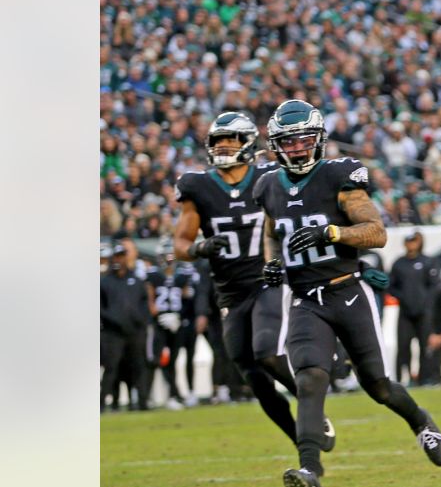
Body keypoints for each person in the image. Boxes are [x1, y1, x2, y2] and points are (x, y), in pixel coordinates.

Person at [254, 99, 441, 487]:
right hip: (306, 299)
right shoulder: (268, 184)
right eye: (288, 143)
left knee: (377, 384)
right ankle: (310, 469)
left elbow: (375, 233)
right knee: (309, 379)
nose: (297, 149)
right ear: (276, 146)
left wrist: (333, 234)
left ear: (319, 140)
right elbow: (273, 228)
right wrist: (272, 262)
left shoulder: (339, 176)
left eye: (304, 140)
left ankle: (420, 421)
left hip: (348, 292)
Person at [174, 112, 327, 445]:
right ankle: (299, 437)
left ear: (248, 144)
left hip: (268, 280)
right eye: (218, 141)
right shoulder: (196, 186)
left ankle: (312, 409)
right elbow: (180, 245)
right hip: (230, 293)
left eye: (231, 140)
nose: (224, 147)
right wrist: (200, 248)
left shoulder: (270, 175)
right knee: (253, 377)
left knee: (267, 352)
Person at [146, 242, 199, 410]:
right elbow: (149, 299)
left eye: (170, 256)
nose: (168, 260)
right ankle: (147, 396)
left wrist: (178, 317)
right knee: (156, 359)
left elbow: (187, 298)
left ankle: (173, 395)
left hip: (177, 322)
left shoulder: (182, 275)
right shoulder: (153, 275)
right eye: (165, 256)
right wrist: (159, 315)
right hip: (159, 323)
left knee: (173, 360)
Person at [101, 243, 152, 412]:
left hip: (135, 331)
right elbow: (99, 307)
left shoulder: (135, 280)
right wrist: (114, 320)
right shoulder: (105, 282)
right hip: (113, 332)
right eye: (116, 256)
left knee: (139, 367)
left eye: (122, 256)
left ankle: (143, 402)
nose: (119, 260)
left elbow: (145, 302)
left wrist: (142, 320)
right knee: (111, 369)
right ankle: (101, 404)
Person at [389, 231, 436, 386]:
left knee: (425, 346)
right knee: (403, 346)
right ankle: (403, 377)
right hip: (405, 312)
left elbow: (433, 286)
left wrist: (425, 302)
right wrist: (403, 297)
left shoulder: (427, 261)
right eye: (409, 241)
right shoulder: (399, 263)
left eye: (414, 241)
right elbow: (390, 286)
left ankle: (425, 378)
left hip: (424, 312)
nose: (411, 244)